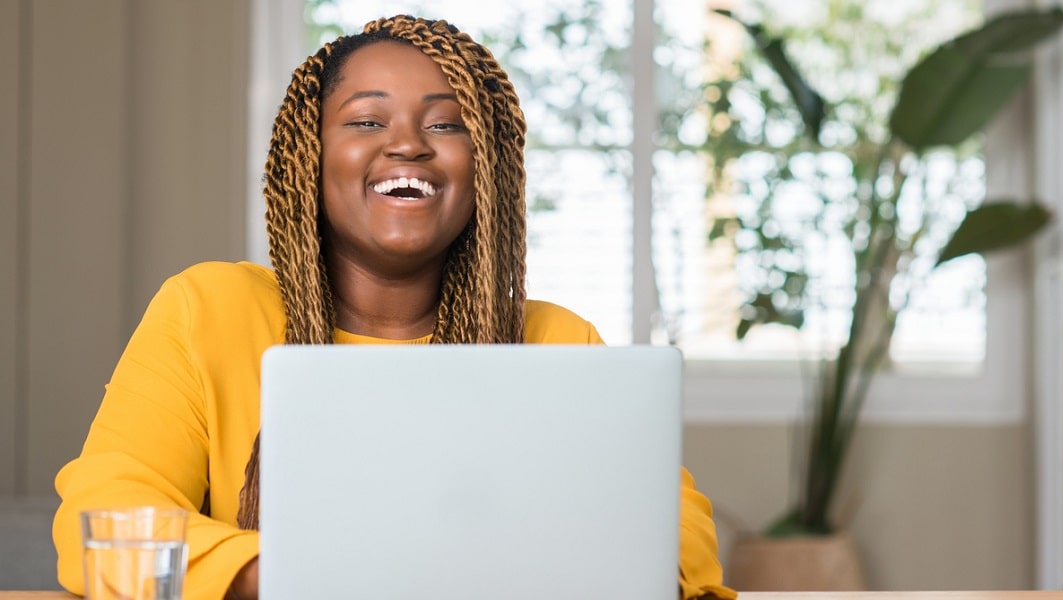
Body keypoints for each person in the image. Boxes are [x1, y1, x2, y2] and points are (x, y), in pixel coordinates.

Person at [52, 14, 736, 600]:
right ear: (309, 158)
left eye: (446, 123)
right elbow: (105, 514)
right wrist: (306, 573)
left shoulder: (554, 340)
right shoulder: (208, 312)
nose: (407, 142)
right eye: (367, 119)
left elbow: (677, 537)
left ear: (486, 168)